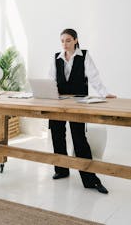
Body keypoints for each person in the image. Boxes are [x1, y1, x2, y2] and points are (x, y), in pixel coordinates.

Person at [49, 28, 116, 194]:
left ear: (76, 40)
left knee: (79, 138)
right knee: (57, 135)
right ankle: (61, 170)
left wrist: (104, 94)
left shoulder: (84, 56)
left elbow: (94, 78)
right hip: (59, 103)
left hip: (79, 103)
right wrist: (51, 91)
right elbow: (50, 80)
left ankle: (90, 180)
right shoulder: (56, 58)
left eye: (68, 40)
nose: (65, 44)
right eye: (62, 41)